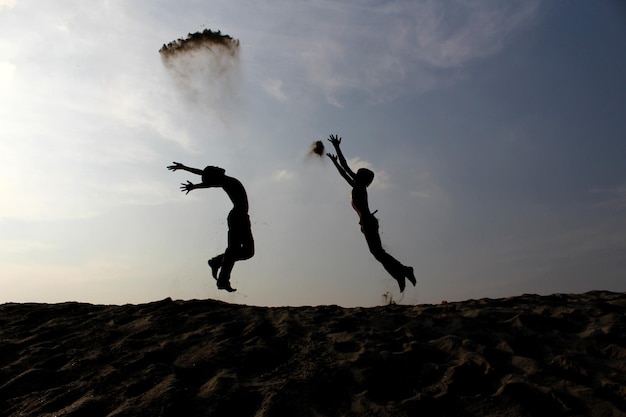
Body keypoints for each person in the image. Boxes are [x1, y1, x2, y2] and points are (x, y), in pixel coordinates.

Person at [326, 135, 416, 292]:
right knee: (378, 253)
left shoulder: (360, 187)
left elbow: (346, 167)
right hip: (367, 222)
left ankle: (404, 271)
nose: (355, 174)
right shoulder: (356, 186)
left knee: (378, 252)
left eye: (358, 173)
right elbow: (344, 173)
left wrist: (337, 147)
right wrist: (334, 162)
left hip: (368, 221)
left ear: (362, 179)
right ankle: (400, 274)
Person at [167, 162, 254, 292]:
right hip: (238, 217)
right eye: (215, 168)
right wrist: (195, 185)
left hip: (241, 216)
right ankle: (222, 279)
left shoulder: (223, 180)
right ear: (216, 175)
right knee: (233, 250)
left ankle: (217, 262)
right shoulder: (225, 181)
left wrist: (184, 168)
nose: (218, 167)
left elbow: (202, 174)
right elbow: (208, 182)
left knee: (247, 252)